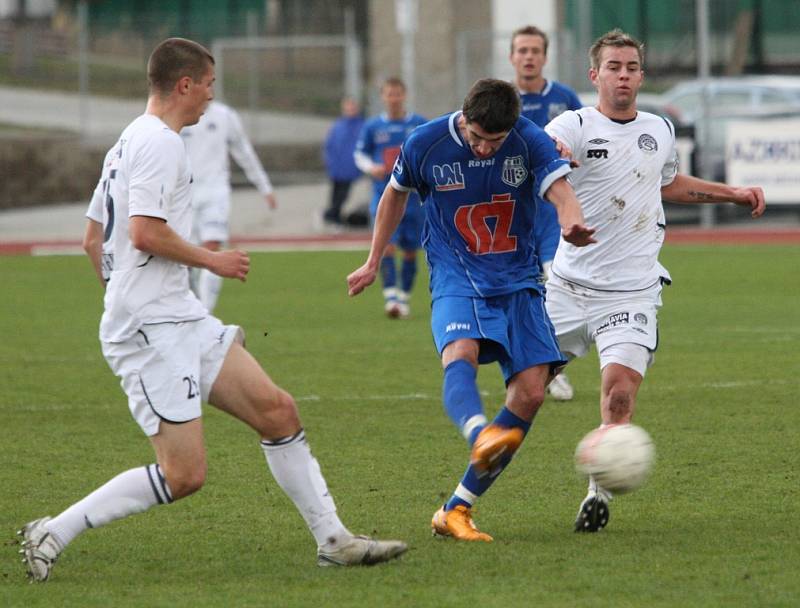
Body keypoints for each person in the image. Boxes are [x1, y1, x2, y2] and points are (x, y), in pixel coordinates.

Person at [17, 37, 407, 583]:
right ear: (185, 85)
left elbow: (91, 240)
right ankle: (52, 531)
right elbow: (144, 232)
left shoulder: (128, 140)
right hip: (151, 327)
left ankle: (334, 540)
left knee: (278, 411)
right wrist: (210, 263)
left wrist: (129, 289)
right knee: (184, 475)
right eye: (208, 85)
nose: (210, 97)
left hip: (175, 314)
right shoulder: (159, 143)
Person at [348, 78, 596, 541]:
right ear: (464, 117)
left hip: (519, 280)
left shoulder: (528, 139)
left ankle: (456, 509)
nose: (485, 149)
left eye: (495, 142)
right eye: (478, 138)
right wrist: (373, 258)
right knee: (459, 352)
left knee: (531, 393)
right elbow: (395, 194)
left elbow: (561, 190)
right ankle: (478, 430)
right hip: (456, 274)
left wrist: (572, 221)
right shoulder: (426, 142)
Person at [542, 29, 766, 533]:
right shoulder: (573, 125)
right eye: (613, 67)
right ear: (594, 74)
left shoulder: (659, 129)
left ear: (641, 75)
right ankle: (470, 488)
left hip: (634, 289)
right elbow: (547, 157)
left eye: (631, 67)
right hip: (569, 288)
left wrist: (731, 193)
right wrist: (550, 153)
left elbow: (668, 183)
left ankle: (597, 492)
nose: (623, 75)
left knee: (618, 392)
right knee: (526, 390)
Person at [511, 24, 583, 401]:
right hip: (513, 213)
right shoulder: (502, 101)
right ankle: (528, 365)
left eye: (535, 50)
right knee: (522, 297)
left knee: (557, 289)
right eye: (522, 50)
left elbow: (587, 144)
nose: (528, 56)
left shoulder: (565, 98)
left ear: (544, 55)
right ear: (512, 57)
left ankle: (550, 367)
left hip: (553, 212)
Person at [180, 99, 277, 313]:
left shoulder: (225, 116)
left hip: (216, 193)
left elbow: (244, 152)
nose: (208, 89)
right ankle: (192, 310)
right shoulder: (179, 115)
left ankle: (205, 313)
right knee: (187, 260)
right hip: (184, 196)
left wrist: (264, 187)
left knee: (212, 249)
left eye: (210, 82)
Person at [354, 77, 426, 318]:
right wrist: (371, 167)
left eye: (397, 94)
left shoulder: (418, 124)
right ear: (383, 97)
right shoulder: (374, 127)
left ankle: (403, 298)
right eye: (389, 94)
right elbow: (359, 154)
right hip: (383, 195)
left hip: (414, 200)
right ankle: (391, 296)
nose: (393, 98)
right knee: (387, 246)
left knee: (409, 250)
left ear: (404, 95)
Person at [322, 96, 365, 227]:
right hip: (337, 167)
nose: (350, 110)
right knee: (336, 192)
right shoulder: (338, 125)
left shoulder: (362, 126)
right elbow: (329, 145)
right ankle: (333, 214)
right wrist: (330, 162)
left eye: (353, 107)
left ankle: (333, 214)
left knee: (343, 193)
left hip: (350, 167)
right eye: (348, 108)